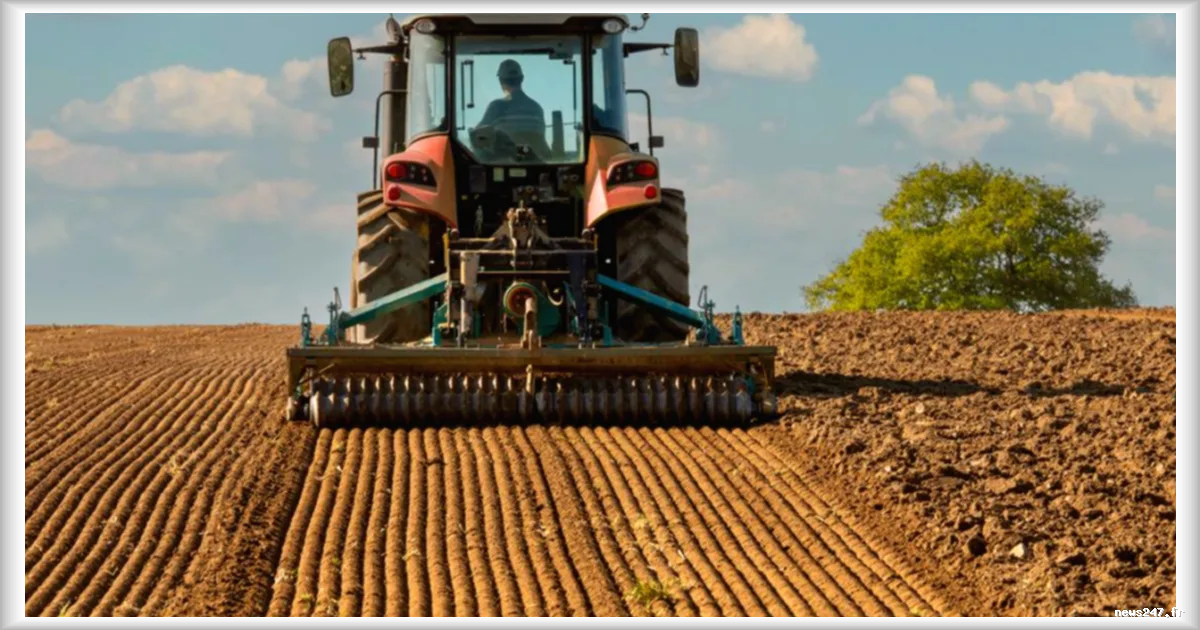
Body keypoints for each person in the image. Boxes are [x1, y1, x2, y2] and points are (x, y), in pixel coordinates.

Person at [473, 59, 551, 158]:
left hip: (508, 162)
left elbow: (477, 138)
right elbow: (540, 144)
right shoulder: (537, 108)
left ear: (501, 81)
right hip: (534, 162)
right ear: (522, 79)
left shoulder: (496, 107)